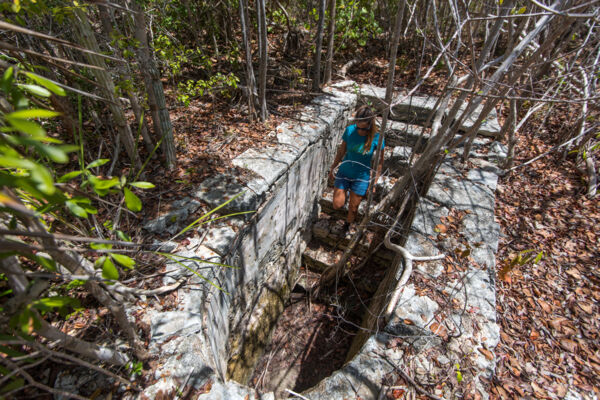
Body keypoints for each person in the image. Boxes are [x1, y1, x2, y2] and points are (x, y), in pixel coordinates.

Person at [328, 105, 385, 235]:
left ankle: (348, 224)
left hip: (361, 176)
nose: (360, 130)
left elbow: (380, 162)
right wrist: (333, 167)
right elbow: (341, 150)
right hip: (345, 171)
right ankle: (346, 194)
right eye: (358, 126)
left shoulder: (377, 137)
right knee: (337, 204)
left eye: (363, 128)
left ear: (370, 125)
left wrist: (374, 182)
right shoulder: (350, 131)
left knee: (353, 208)